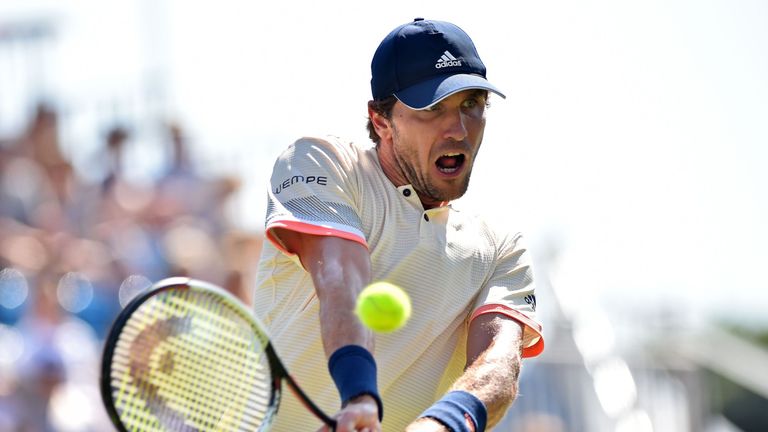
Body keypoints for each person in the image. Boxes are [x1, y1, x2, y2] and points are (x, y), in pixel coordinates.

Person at [253, 18, 544, 431]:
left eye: (471, 104)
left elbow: (499, 363)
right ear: (381, 121)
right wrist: (359, 397)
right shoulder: (323, 163)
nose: (458, 130)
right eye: (433, 109)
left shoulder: (501, 248)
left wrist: (437, 427)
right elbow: (341, 282)